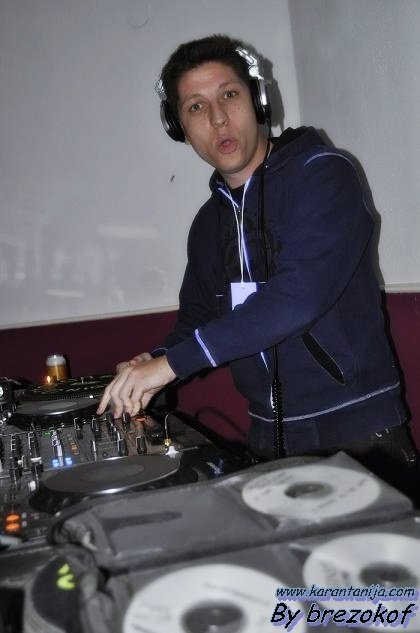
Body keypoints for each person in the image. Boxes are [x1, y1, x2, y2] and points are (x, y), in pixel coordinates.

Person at [97, 34, 419, 499]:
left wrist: (172, 365)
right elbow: (198, 318)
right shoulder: (208, 225)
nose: (218, 118)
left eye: (229, 95)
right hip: (267, 439)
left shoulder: (324, 175)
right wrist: (156, 359)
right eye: (196, 107)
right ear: (179, 127)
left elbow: (298, 296)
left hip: (359, 435)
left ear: (258, 100)